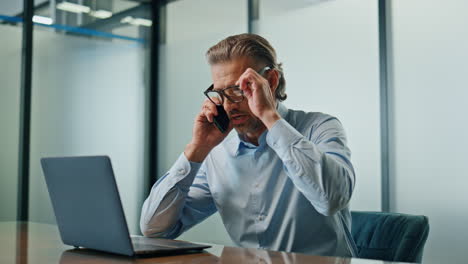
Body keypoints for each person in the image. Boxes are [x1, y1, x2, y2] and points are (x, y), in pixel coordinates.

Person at [140, 33, 357, 257]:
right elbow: (154, 229)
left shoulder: (321, 126)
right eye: (220, 93)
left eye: (238, 89)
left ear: (271, 82)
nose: (227, 106)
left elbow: (331, 199)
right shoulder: (218, 154)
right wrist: (197, 148)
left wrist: (269, 116)